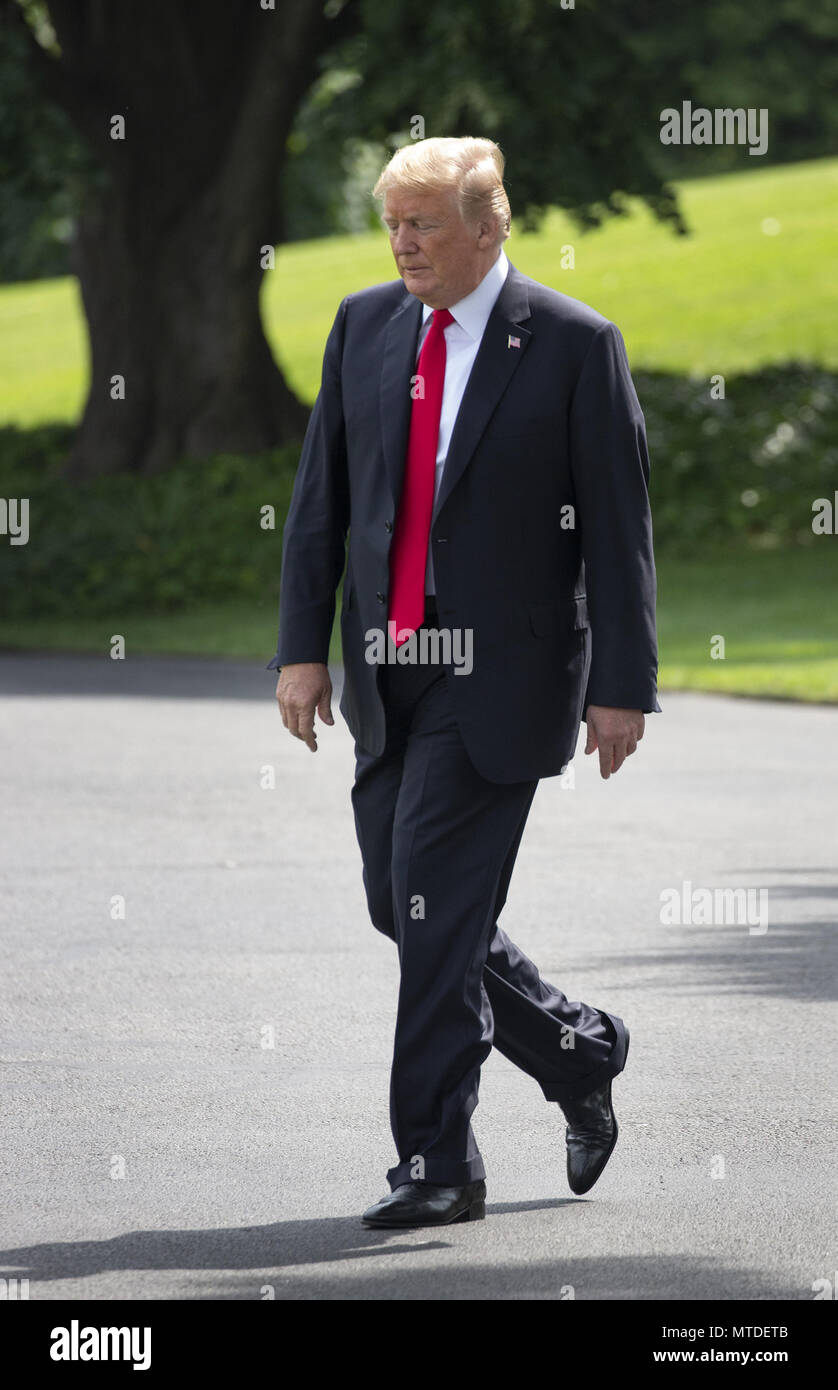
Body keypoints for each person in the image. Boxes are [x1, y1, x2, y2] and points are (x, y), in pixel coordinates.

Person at [268, 136, 660, 1229]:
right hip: (392, 666)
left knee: (435, 909)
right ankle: (577, 1046)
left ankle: (438, 1159)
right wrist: (303, 648)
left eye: (425, 224)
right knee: (400, 905)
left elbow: (618, 534)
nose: (403, 244)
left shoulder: (575, 345)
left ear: (489, 227)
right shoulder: (364, 324)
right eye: (393, 223)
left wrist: (620, 684)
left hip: (507, 675)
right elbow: (321, 504)